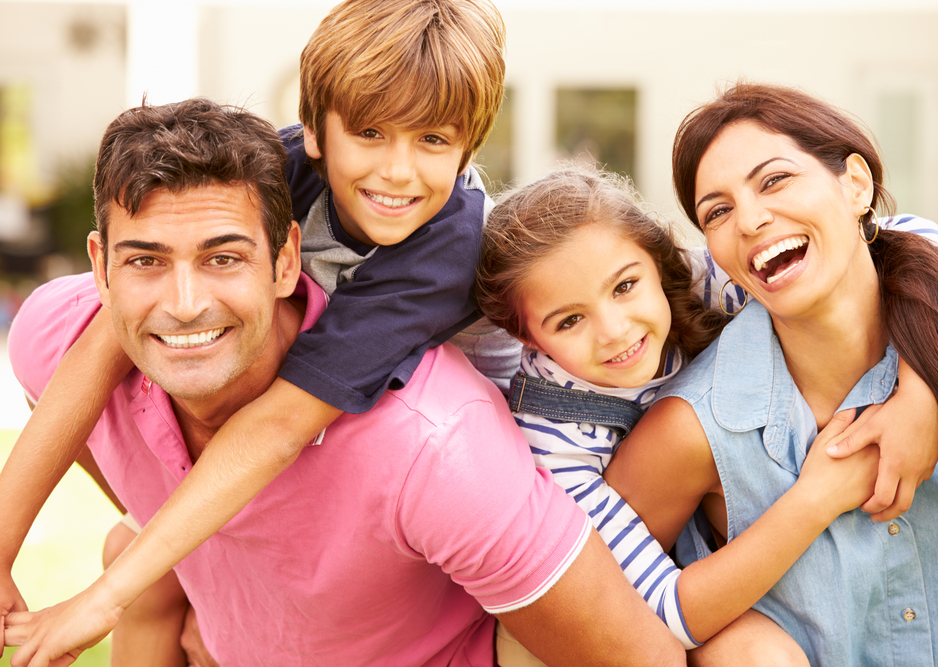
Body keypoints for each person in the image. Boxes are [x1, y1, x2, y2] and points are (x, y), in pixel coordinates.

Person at [2, 98, 684, 667]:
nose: (184, 302)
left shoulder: (437, 448)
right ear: (100, 266)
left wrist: (107, 597)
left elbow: (643, 657)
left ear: (285, 259)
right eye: (146, 260)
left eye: (224, 257)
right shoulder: (51, 342)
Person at [0, 0, 522, 663]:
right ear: (313, 131)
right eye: (369, 132)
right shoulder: (276, 166)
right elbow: (102, 340)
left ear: (467, 146)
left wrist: (97, 601)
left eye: (433, 140)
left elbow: (280, 424)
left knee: (141, 570)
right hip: (326, 444)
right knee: (136, 556)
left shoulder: (444, 252)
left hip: (483, 458)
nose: (397, 170)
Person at [474, 167, 938, 664]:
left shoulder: (698, 282)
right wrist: (817, 498)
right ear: (526, 337)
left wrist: (921, 394)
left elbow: (911, 236)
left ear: (658, 265)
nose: (614, 331)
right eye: (569, 321)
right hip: (611, 613)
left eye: (625, 286)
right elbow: (661, 612)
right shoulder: (552, 441)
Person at [602, 82, 938, 665]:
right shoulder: (697, 427)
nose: (751, 219)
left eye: (775, 180)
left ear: (856, 185)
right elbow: (595, 607)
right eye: (718, 211)